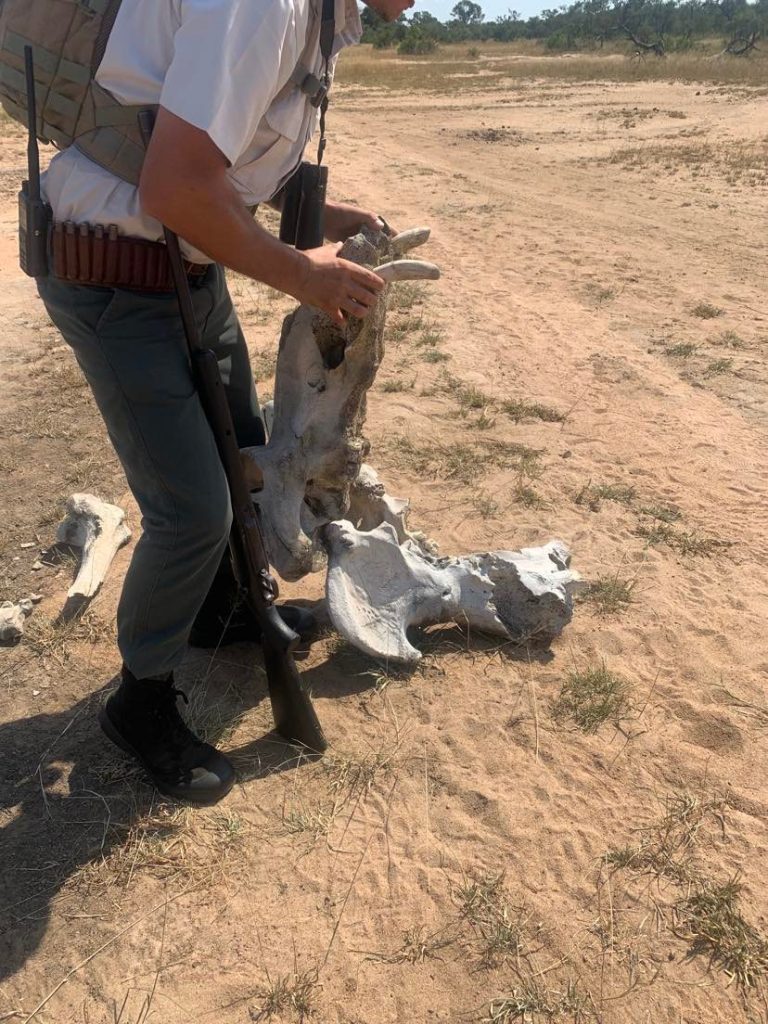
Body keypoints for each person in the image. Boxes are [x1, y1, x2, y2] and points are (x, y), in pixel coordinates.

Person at [36, 0, 415, 806]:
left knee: (245, 455)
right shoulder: (263, 5)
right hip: (114, 272)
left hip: (184, 267)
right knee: (192, 510)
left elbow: (229, 155)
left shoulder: (316, 15)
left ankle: (218, 614)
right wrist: (304, 275)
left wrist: (336, 221)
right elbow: (176, 183)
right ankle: (140, 700)